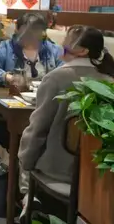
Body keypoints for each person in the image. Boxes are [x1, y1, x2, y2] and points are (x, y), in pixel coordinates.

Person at [18, 26, 114, 216]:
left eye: (69, 40)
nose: (63, 44)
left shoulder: (56, 79)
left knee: (24, 150)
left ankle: (28, 200)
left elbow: (37, 131)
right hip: (96, 173)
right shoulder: (109, 80)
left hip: (57, 170)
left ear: (83, 50)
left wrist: (24, 161)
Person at [0, 13, 64, 86]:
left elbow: (66, 72)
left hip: (46, 98)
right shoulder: (6, 48)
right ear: (17, 30)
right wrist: (8, 77)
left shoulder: (54, 50)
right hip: (13, 98)